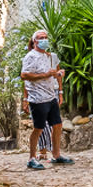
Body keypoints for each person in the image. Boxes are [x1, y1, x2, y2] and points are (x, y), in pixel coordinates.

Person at [20, 30, 74, 170]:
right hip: (37, 98)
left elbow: (53, 73)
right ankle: (31, 158)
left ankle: (56, 155)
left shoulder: (49, 56)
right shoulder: (30, 57)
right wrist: (43, 75)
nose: (44, 40)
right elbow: (24, 75)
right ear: (34, 41)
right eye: (41, 38)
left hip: (51, 96)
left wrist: (58, 74)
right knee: (38, 128)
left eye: (45, 37)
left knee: (57, 125)